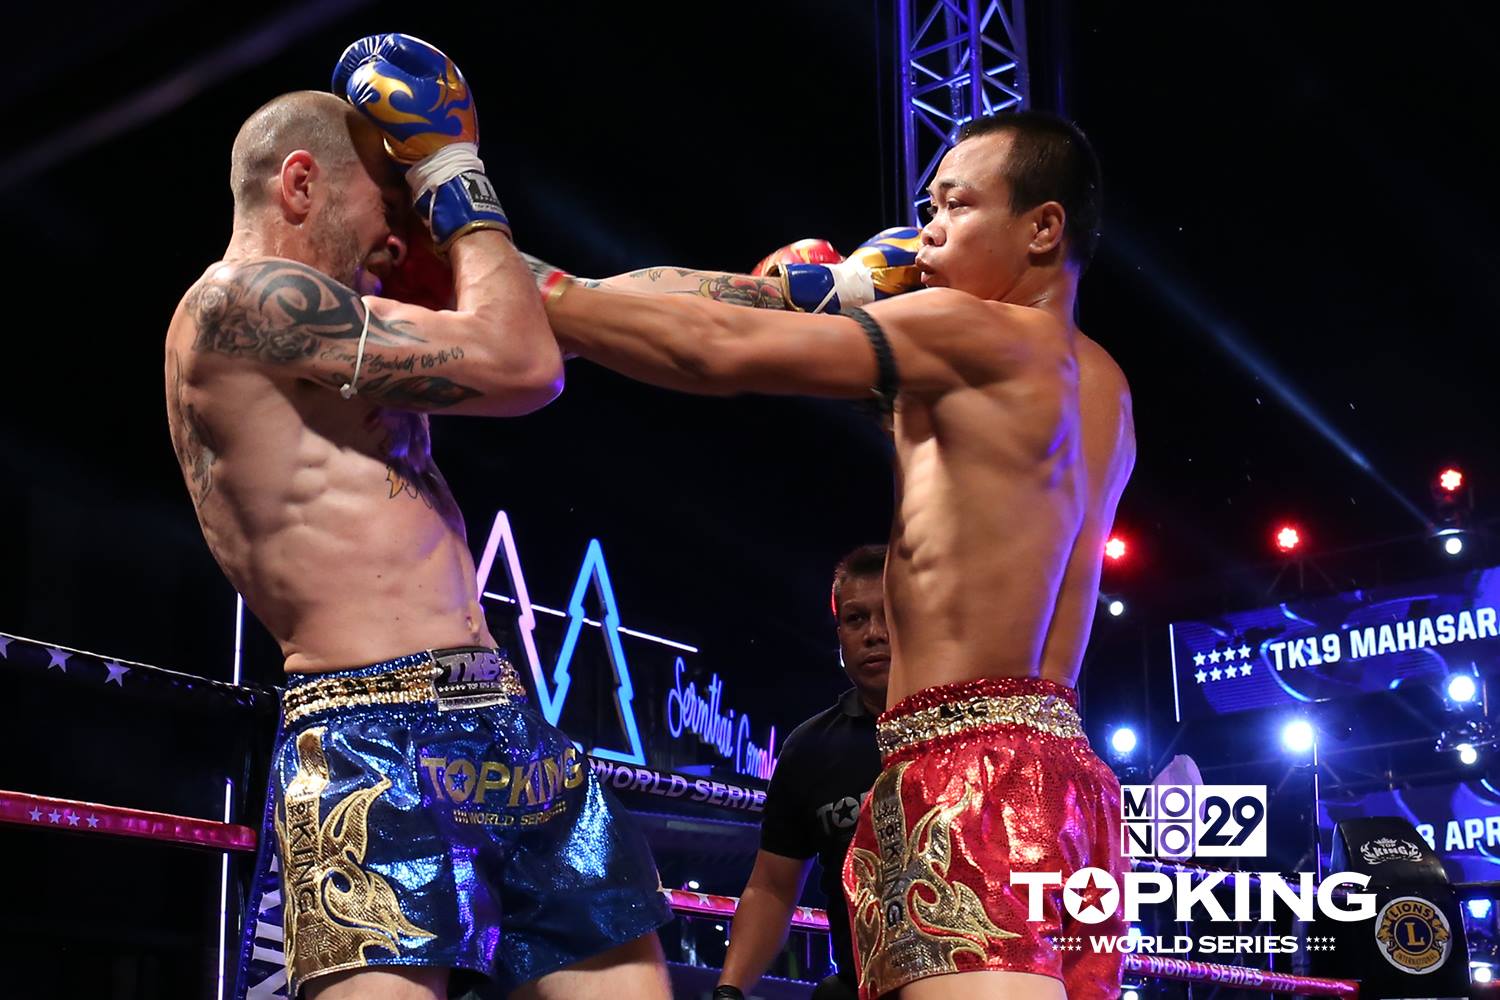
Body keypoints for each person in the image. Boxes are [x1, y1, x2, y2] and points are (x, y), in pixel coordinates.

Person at [525, 110, 1136, 999]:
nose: (928, 230)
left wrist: (516, 278)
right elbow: (741, 313)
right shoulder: (1104, 382)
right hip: (1070, 778)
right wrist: (815, 292)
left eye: (956, 206)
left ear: (1043, 227)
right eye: (928, 208)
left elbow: (714, 350)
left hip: (965, 771)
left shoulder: (969, 329)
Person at [164, 34, 671, 1000]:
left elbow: (576, 309)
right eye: (388, 208)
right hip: (368, 731)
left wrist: (800, 301)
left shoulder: (351, 316)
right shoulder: (245, 303)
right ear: (302, 184)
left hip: (505, 719)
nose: (402, 240)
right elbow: (525, 366)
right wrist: (451, 169)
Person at [715, 545, 889, 1000]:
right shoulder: (811, 748)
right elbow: (772, 888)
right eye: (856, 619)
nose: (874, 634)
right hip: (858, 989)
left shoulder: (973, 729)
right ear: (840, 634)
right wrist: (729, 991)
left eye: (890, 614)